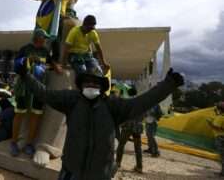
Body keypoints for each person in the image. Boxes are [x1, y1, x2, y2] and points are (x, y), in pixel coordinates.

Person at [14, 59, 184, 180]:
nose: (91, 86)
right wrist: (26, 75)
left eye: (96, 84)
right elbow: (45, 94)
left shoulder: (113, 106)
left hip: (100, 175)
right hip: (71, 173)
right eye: (87, 83)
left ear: (102, 88)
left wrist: (168, 85)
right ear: (80, 86)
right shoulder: (71, 101)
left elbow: (142, 102)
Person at [11, 28, 62, 157]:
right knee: (19, 115)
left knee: (36, 115)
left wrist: (55, 66)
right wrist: (27, 59)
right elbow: (16, 66)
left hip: (39, 89)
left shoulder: (45, 52)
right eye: (44, 38)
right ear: (38, 38)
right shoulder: (25, 49)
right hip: (24, 87)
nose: (45, 41)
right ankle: (14, 143)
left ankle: (29, 144)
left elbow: (51, 63)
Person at [116, 87, 144, 173]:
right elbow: (144, 114)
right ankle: (139, 167)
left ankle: (117, 163)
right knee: (138, 147)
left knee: (121, 145)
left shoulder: (126, 102)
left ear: (128, 93)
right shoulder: (141, 102)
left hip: (127, 126)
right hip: (137, 127)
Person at [207, 102, 224, 176]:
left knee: (222, 155)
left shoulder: (221, 117)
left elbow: (218, 127)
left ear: (220, 109)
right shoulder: (221, 116)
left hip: (221, 138)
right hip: (221, 137)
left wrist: (210, 124)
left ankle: (223, 173)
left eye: (217, 108)